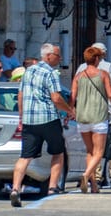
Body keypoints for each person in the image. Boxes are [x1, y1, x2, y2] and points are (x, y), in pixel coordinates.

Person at [10, 44, 75, 207]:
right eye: (57, 56)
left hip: (29, 120)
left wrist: (21, 116)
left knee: (25, 156)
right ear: (47, 56)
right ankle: (53, 188)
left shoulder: (28, 71)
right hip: (48, 118)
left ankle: (15, 189)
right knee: (58, 152)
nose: (60, 59)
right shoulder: (50, 73)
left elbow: (21, 95)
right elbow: (56, 98)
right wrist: (69, 111)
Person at [70, 46, 111, 193]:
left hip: (82, 117)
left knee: (90, 151)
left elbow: (73, 96)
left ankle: (93, 185)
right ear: (97, 59)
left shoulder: (78, 76)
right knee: (99, 152)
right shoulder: (103, 74)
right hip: (98, 115)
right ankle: (86, 175)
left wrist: (70, 111)